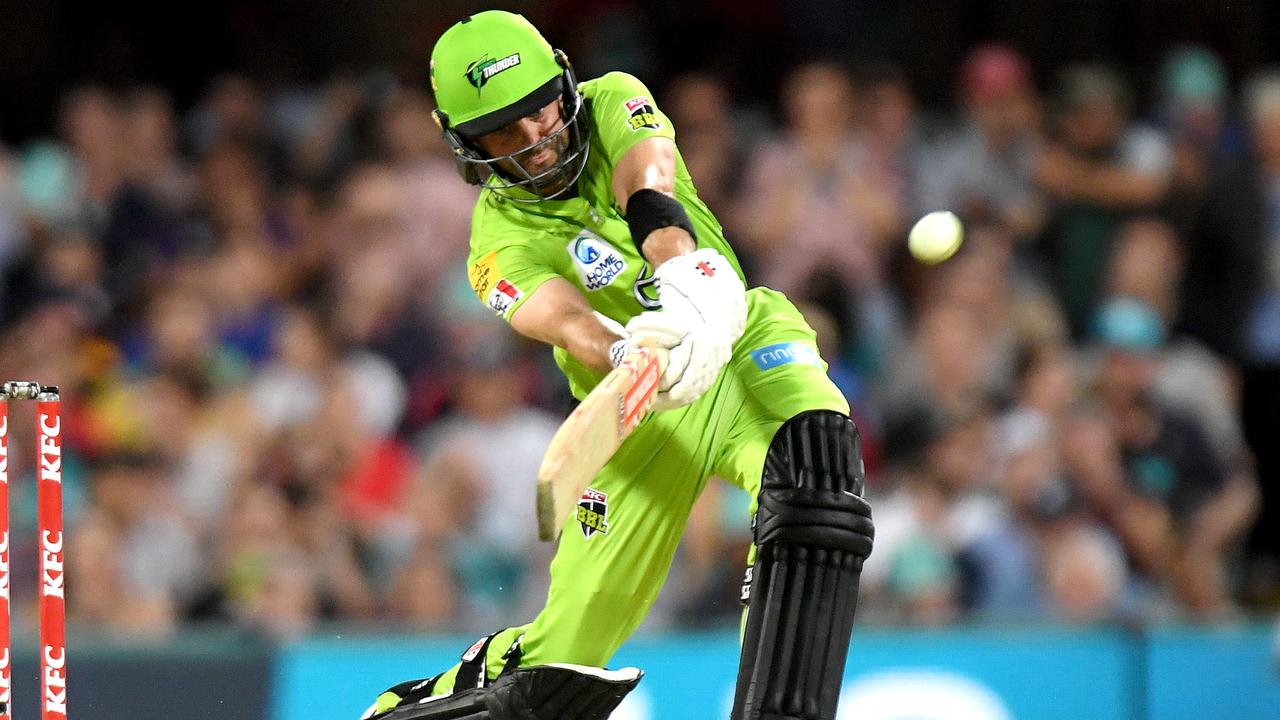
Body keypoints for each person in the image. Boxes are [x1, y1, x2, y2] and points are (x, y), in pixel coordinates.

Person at [360, 11, 874, 720]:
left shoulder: (612, 99)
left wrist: (685, 276)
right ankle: (427, 701)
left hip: (734, 338)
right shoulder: (494, 244)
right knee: (559, 669)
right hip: (635, 414)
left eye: (539, 110)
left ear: (564, 85)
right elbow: (564, 321)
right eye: (504, 132)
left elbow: (648, 182)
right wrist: (628, 351)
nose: (536, 140)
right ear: (466, 146)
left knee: (812, 480)